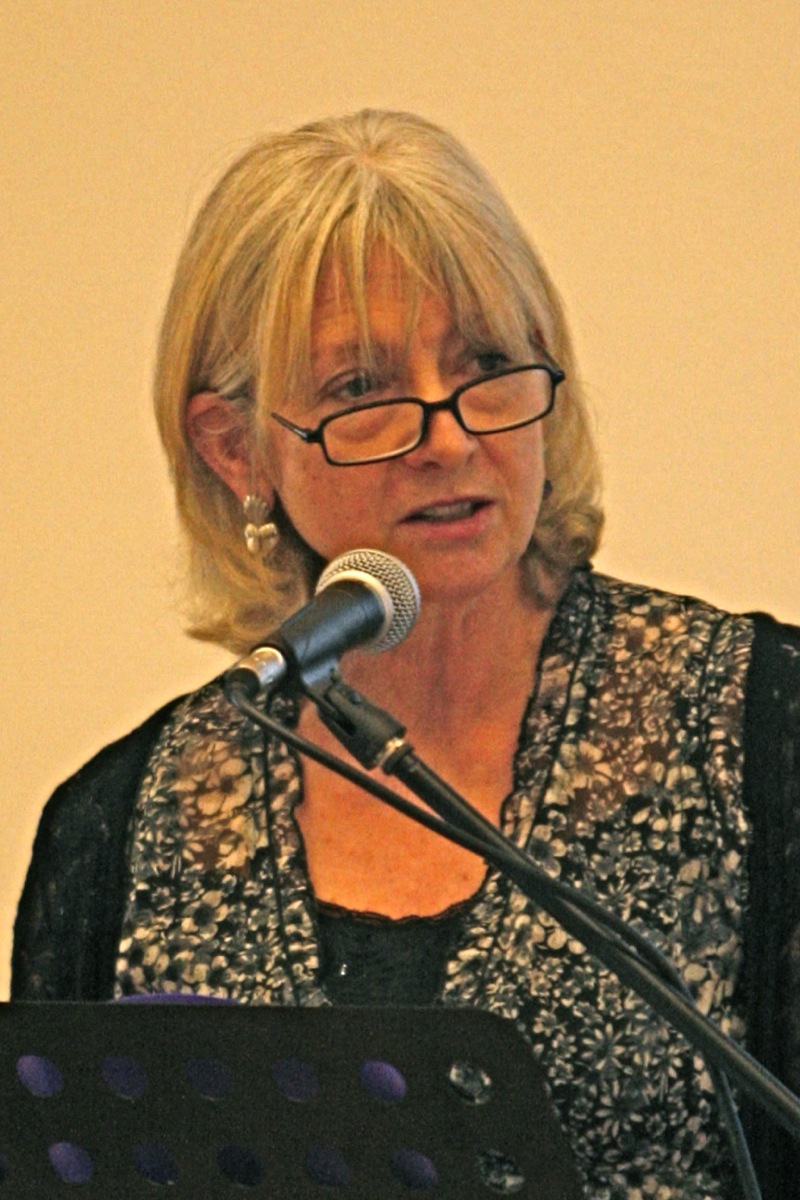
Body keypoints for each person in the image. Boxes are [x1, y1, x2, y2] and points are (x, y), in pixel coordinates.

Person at [11, 109, 800, 1198]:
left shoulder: (752, 730)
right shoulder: (121, 827)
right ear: (236, 448)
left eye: (488, 364)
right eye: (361, 392)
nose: (450, 436)